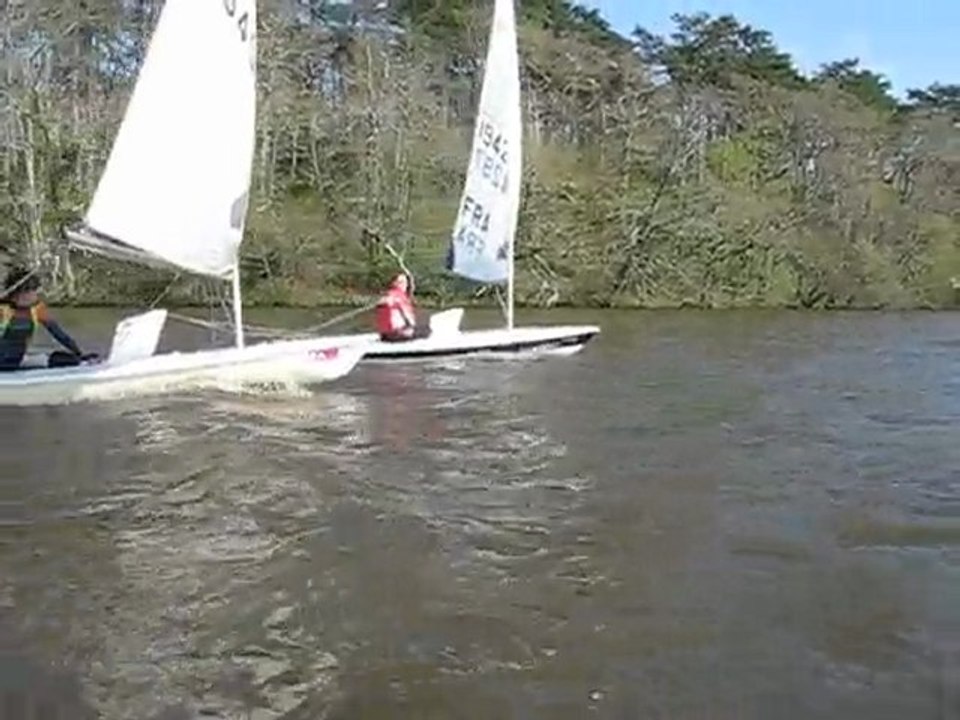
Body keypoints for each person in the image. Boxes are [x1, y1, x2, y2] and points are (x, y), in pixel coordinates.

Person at [0, 266, 94, 371]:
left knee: (65, 359)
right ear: (20, 294)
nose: (36, 295)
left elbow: (59, 334)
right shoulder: (3, 310)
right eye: (33, 291)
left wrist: (79, 353)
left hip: (17, 361)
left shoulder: (37, 310)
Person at [374, 272, 431, 342]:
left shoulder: (388, 294)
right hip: (395, 334)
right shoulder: (399, 296)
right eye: (401, 282)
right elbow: (410, 319)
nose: (404, 285)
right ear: (394, 283)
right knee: (426, 330)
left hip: (384, 335)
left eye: (405, 282)